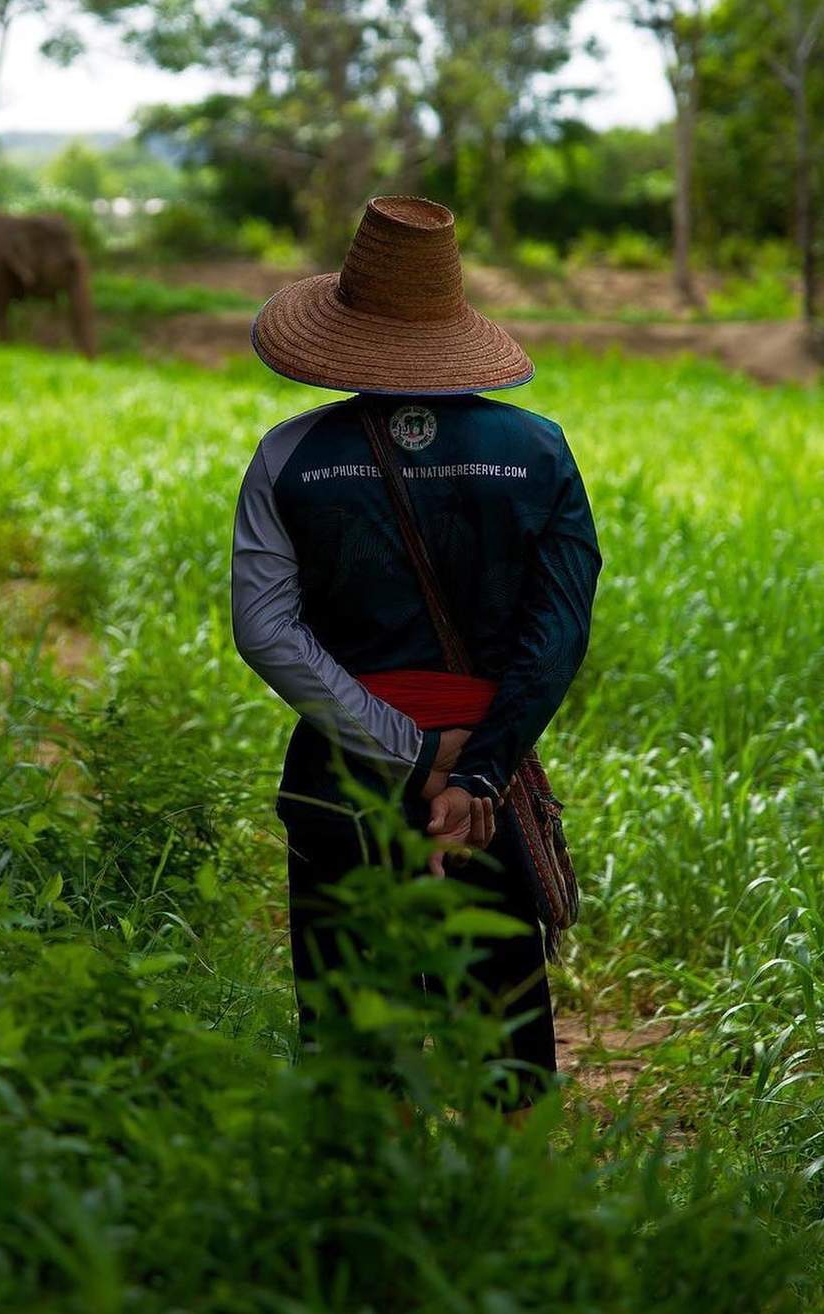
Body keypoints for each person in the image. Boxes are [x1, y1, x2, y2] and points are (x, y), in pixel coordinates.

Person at [231, 194, 600, 1112]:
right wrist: (475, 774)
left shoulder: (287, 457)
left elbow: (264, 628)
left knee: (356, 1040)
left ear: (345, 327)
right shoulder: (539, 452)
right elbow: (555, 635)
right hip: (492, 779)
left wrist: (401, 747)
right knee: (503, 1038)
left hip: (343, 777)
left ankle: (373, 1223)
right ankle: (500, 1226)